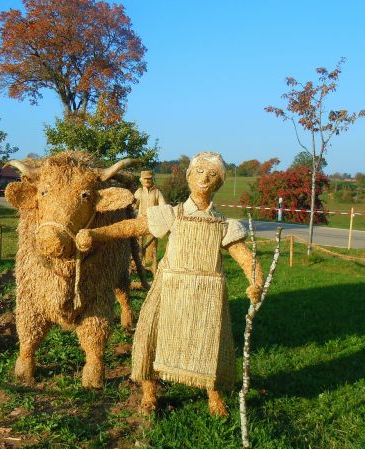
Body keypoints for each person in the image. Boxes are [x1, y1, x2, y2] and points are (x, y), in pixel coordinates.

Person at [76, 152, 263, 416]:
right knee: (152, 336)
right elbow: (134, 227)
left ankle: (213, 394)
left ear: (219, 183)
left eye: (212, 174)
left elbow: (246, 258)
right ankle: (150, 392)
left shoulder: (223, 225)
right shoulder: (172, 215)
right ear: (188, 176)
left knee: (209, 342)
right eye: (199, 172)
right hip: (170, 286)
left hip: (206, 294)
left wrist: (256, 281)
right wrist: (97, 234)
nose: (205, 179)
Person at [134, 170, 166, 272]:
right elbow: (133, 206)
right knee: (138, 242)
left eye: (149, 178)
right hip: (140, 220)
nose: (147, 181)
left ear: (153, 179)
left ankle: (152, 264)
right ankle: (138, 263)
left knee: (152, 243)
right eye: (145, 179)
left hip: (153, 221)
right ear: (141, 180)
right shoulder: (139, 192)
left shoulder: (157, 192)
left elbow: (163, 206)